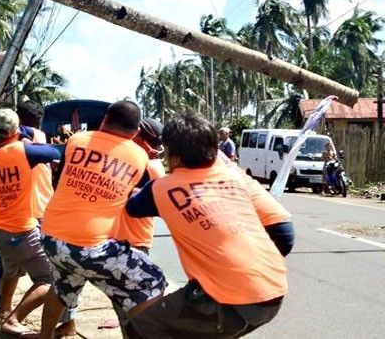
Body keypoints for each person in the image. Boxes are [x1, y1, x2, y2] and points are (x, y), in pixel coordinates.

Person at [126, 111, 295, 338]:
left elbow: (132, 207)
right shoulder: (234, 177)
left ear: (173, 155)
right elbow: (284, 232)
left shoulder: (162, 188)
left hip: (230, 300)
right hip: (274, 291)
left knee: (140, 329)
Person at [39, 100, 167, 339]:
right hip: (88, 247)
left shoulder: (77, 140)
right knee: (151, 281)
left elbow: (60, 181)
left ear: (105, 119)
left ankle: (44, 336)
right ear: (136, 132)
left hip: (51, 237)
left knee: (62, 288)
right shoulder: (139, 157)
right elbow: (136, 200)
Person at [0, 107, 63, 337]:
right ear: (15, 131)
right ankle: (13, 320)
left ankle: (4, 310)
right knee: (52, 280)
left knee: (11, 271)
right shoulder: (23, 151)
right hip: (21, 231)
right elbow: (57, 152)